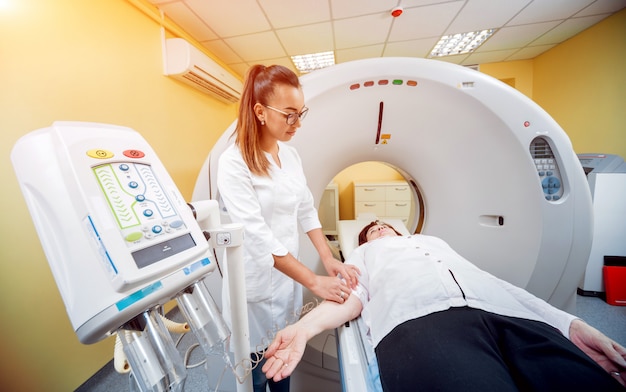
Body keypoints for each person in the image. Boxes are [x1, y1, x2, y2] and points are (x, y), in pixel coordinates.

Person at [262, 221, 626, 391]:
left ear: (401, 230)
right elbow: (352, 299)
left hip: (501, 311)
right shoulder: (365, 254)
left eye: (384, 226)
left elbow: (499, 285)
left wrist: (572, 325)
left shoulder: (432, 241)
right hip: (420, 324)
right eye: (371, 230)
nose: (379, 230)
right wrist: (305, 328)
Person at [216, 64, 360, 392]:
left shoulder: (291, 155)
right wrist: (314, 282)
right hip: (252, 284)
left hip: (286, 283)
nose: (298, 123)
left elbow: (307, 209)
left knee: (284, 362)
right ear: (260, 112)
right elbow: (257, 236)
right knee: (254, 372)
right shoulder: (234, 162)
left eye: (301, 113)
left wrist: (329, 258)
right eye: (289, 114)